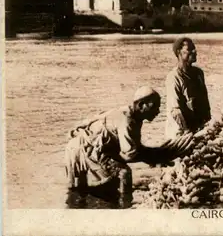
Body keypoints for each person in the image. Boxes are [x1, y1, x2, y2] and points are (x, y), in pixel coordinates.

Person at [64, 86, 192, 208]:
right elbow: (130, 154)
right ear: (141, 105)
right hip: (85, 149)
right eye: (154, 107)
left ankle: (96, 203)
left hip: (80, 147)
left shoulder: (131, 116)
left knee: (77, 190)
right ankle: (124, 206)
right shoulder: (128, 119)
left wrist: (155, 155)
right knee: (123, 174)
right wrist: (157, 155)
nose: (158, 112)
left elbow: (133, 149)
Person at [165, 37, 211, 136]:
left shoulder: (199, 73)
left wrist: (209, 126)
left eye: (194, 49)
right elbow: (175, 111)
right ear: (179, 52)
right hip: (180, 132)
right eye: (190, 49)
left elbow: (205, 104)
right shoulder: (174, 77)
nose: (194, 52)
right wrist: (187, 133)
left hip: (198, 128)